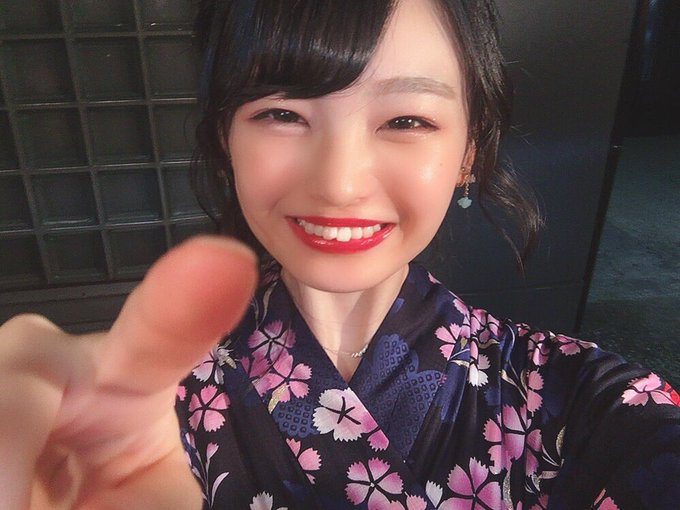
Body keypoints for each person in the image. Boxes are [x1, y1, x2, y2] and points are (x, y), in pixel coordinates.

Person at [1, 0, 678, 509]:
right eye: (282, 114)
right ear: (225, 139)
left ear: (470, 150)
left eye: (407, 120)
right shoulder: (137, 413)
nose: (338, 183)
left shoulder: (582, 402)